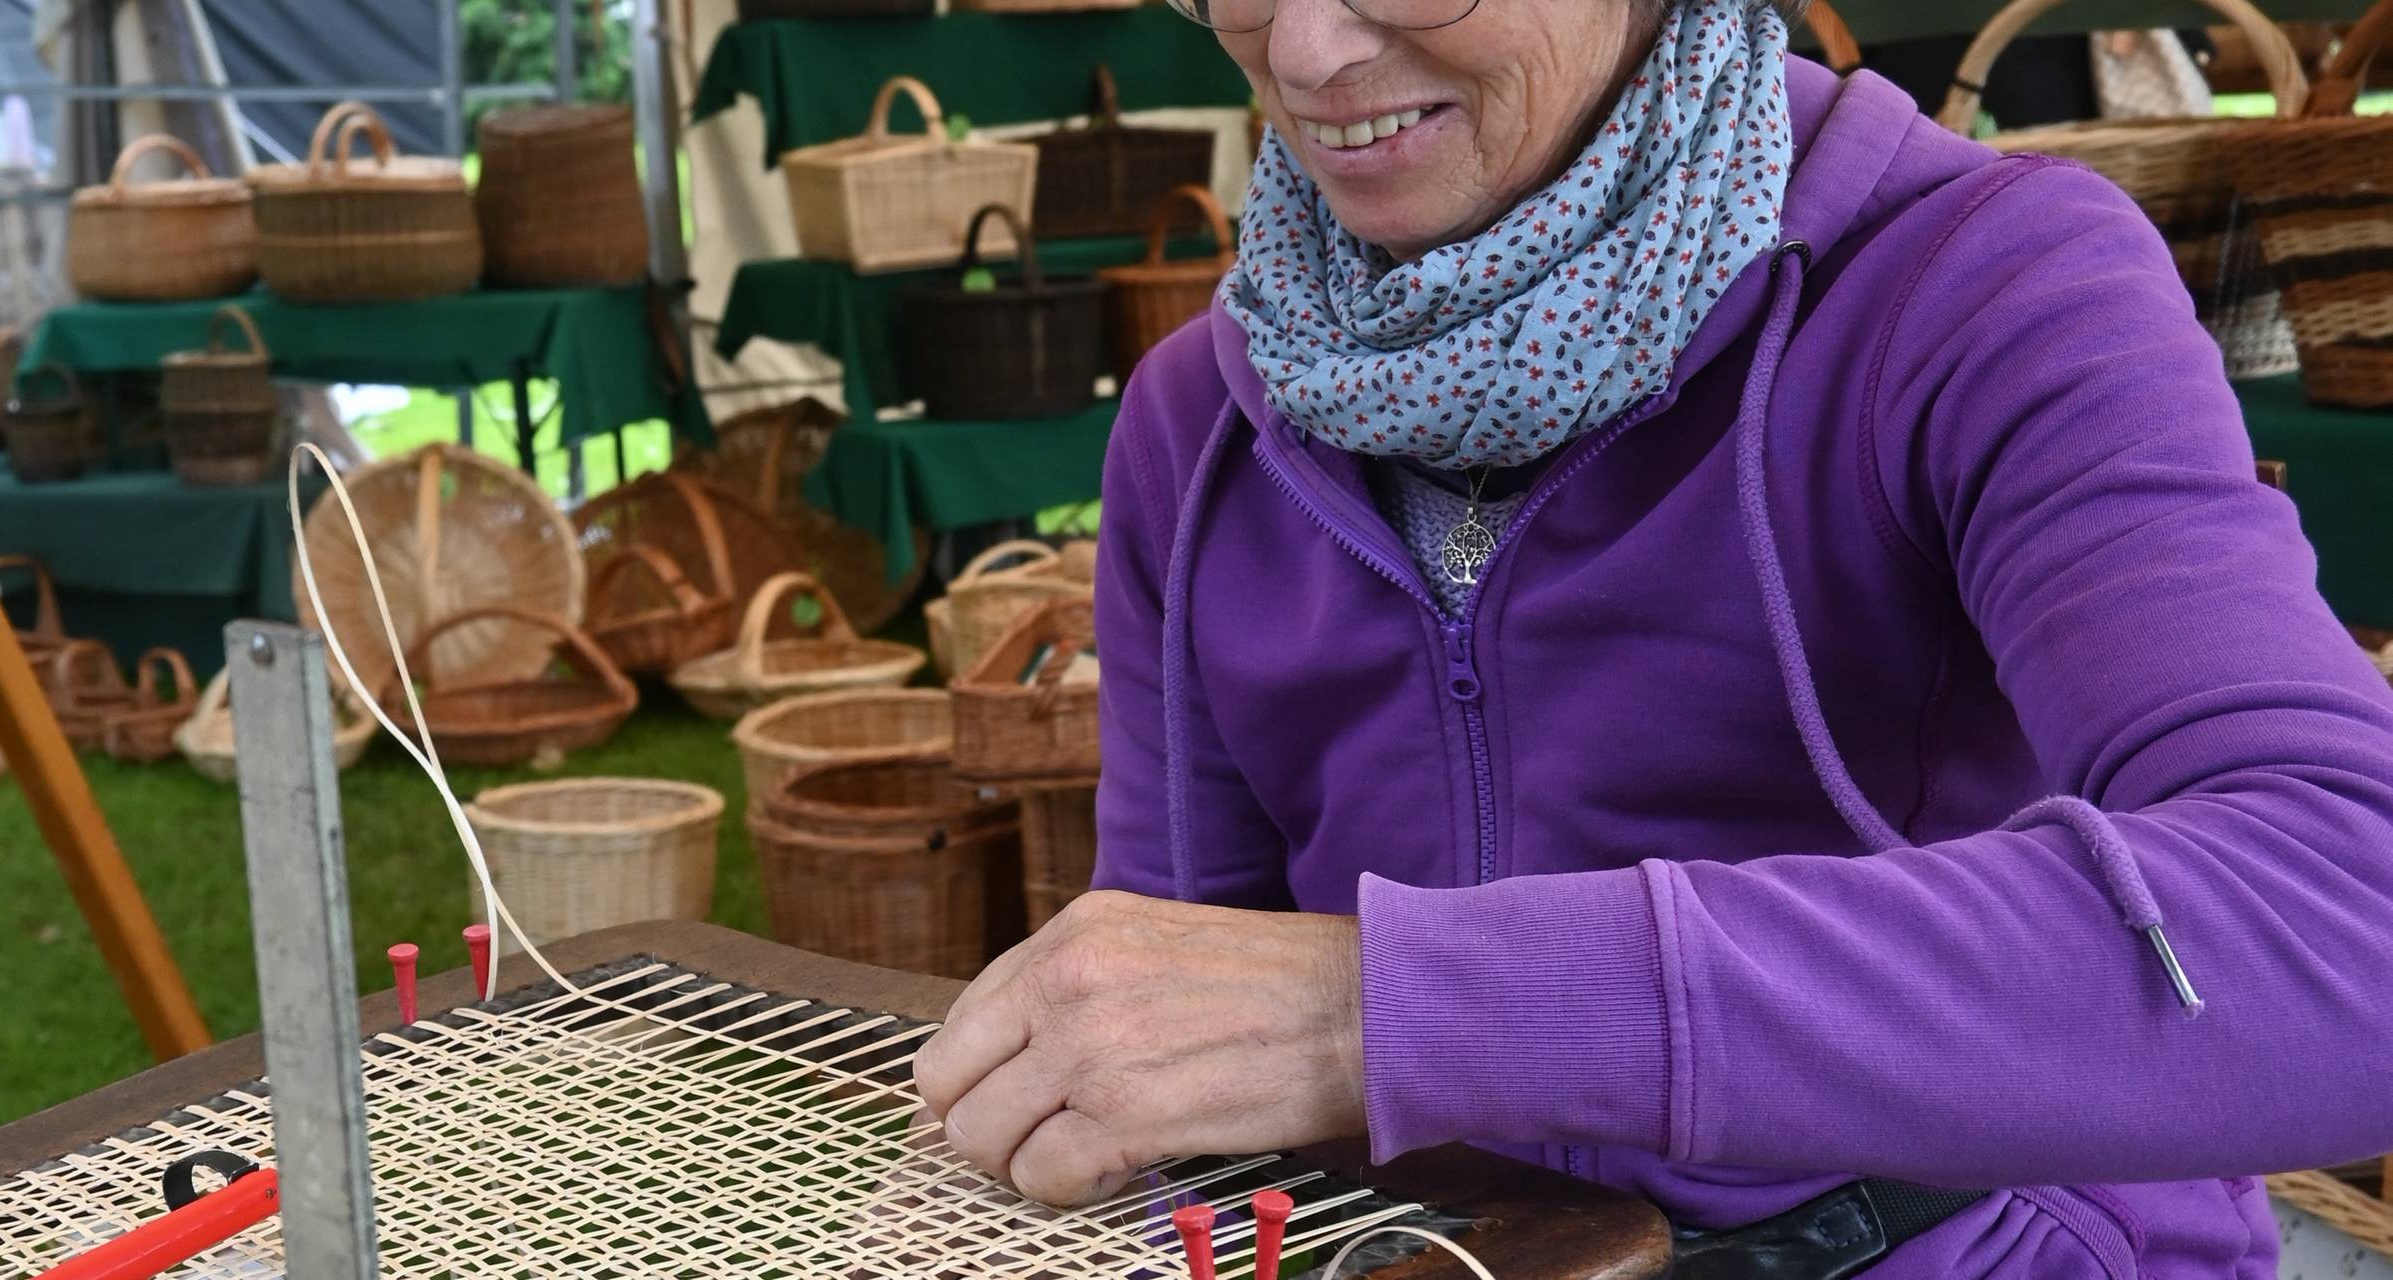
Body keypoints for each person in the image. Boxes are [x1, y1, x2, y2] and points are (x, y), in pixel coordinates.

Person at [910, 0, 2393, 1275]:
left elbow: (2346, 935)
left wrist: (1398, 1012)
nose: (1302, 47)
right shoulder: (1194, 428)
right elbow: (1181, 1090)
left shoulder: (1996, 288)